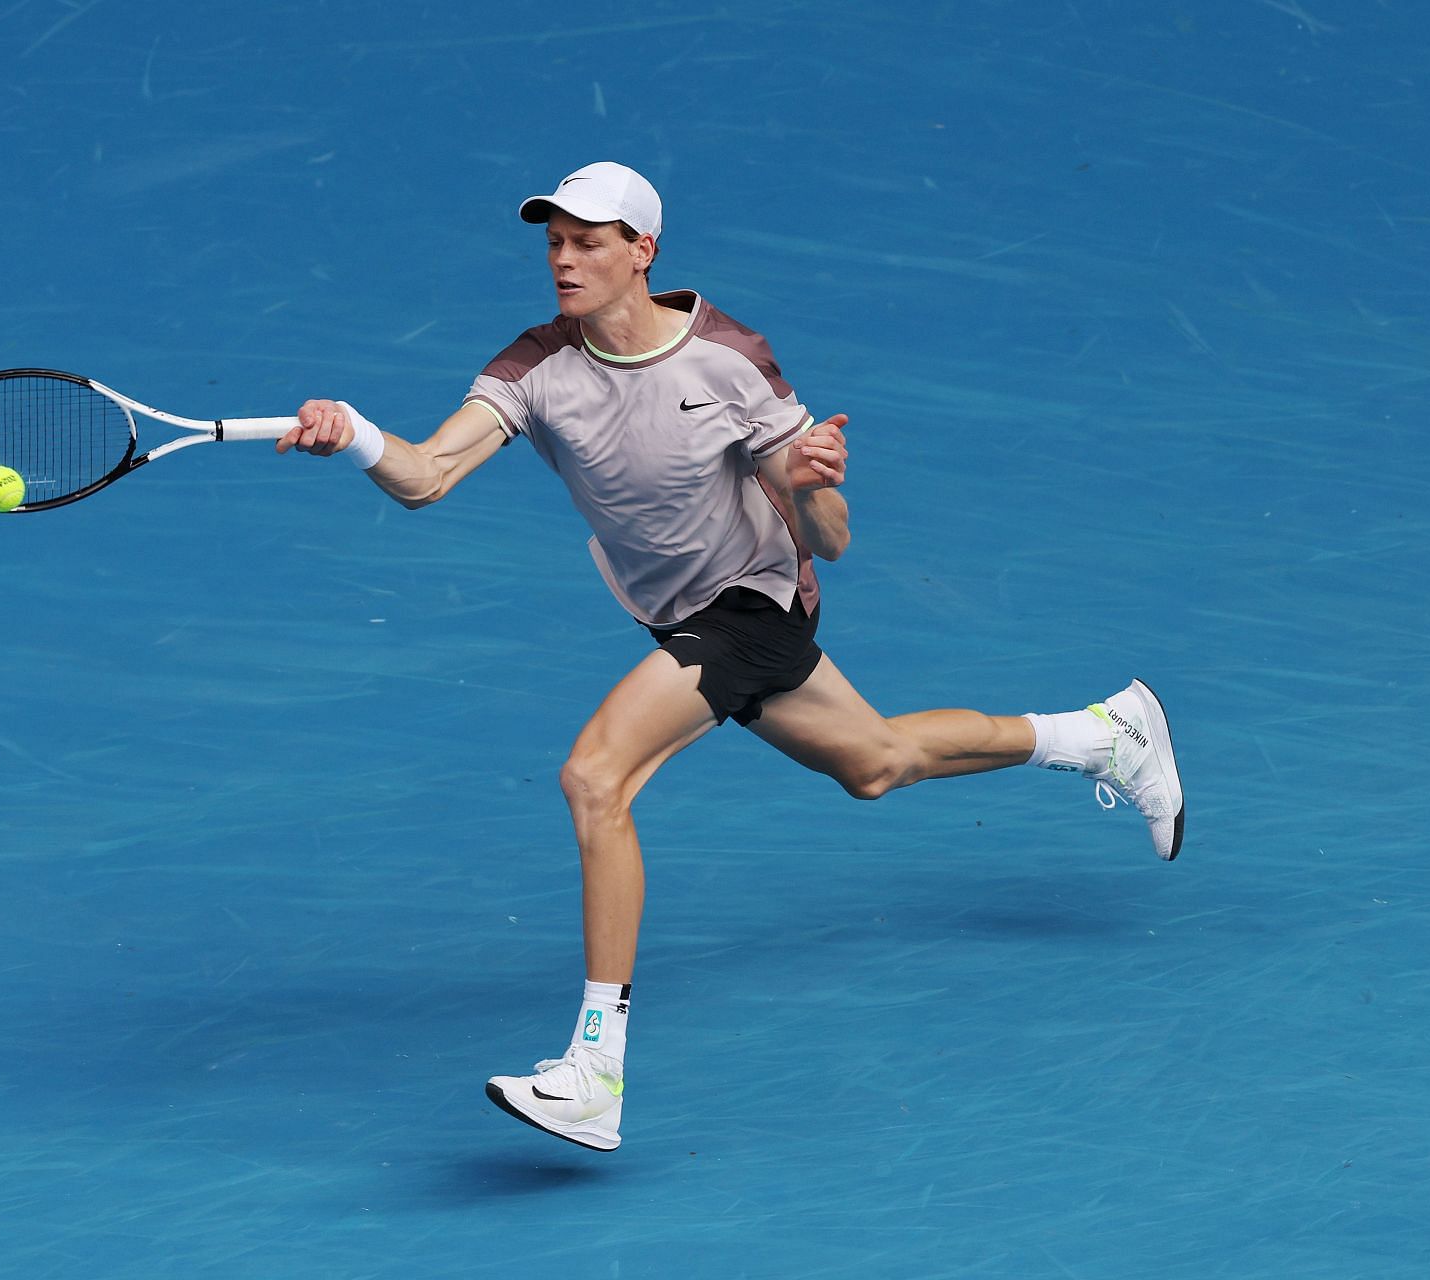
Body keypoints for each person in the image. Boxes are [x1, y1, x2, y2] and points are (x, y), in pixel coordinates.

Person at [276, 162, 1185, 1152]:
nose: (564, 259)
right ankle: (1104, 734)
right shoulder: (536, 365)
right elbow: (429, 474)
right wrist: (358, 434)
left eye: (588, 241)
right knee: (876, 763)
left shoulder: (727, 359)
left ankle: (594, 1069)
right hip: (680, 620)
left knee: (595, 776)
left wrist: (804, 479)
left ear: (642, 251)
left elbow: (829, 536)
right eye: (554, 242)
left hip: (754, 602)